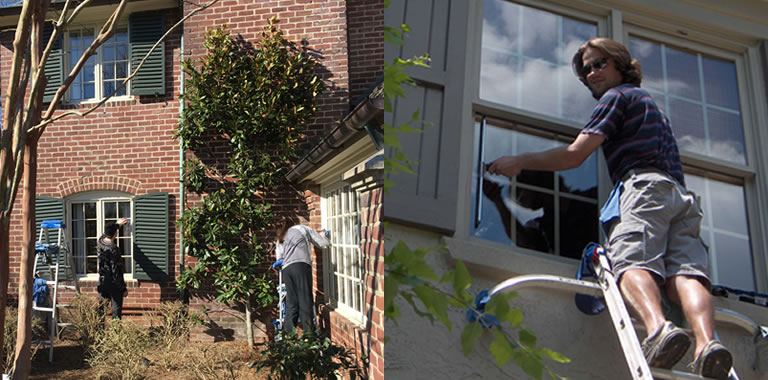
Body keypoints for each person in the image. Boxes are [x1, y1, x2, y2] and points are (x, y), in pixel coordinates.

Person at [488, 38, 732, 378]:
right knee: (685, 275)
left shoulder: (616, 98)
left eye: (598, 63)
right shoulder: (651, 106)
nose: (591, 73)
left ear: (619, 64)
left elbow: (576, 155)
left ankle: (659, 329)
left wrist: (520, 160)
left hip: (643, 189)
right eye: (586, 70)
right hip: (680, 197)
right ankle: (707, 344)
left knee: (630, 262)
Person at [275, 216, 330, 333]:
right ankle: (309, 337)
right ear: (294, 222)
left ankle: (288, 338)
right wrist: (324, 235)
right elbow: (323, 244)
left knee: (292, 304)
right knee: (305, 301)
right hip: (300, 266)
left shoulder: (281, 237)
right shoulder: (302, 228)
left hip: (287, 270)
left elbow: (279, 257)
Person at [97, 218, 129, 319]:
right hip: (114, 284)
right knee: (116, 312)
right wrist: (123, 288)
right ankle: (115, 334)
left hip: (102, 282)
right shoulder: (114, 249)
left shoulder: (100, 242)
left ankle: (98, 331)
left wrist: (117, 225)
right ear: (115, 233)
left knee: (101, 310)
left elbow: (106, 233)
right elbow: (117, 271)